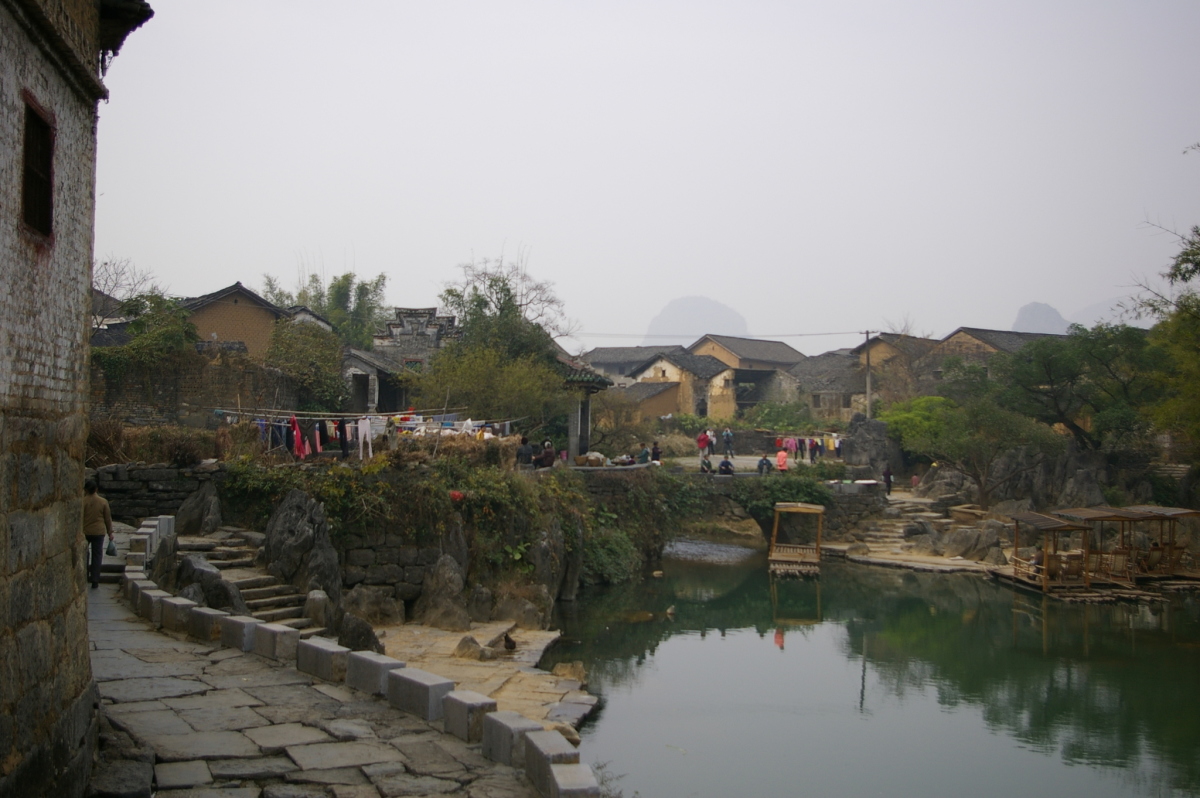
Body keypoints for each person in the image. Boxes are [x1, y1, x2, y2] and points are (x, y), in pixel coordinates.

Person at [82, 478, 114, 589]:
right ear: (96, 489)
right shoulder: (103, 502)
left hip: (85, 531)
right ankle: (95, 580)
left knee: (84, 555)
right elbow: (107, 519)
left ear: (85, 490)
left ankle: (84, 577)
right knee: (97, 555)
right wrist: (110, 532)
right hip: (99, 532)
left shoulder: (83, 502)